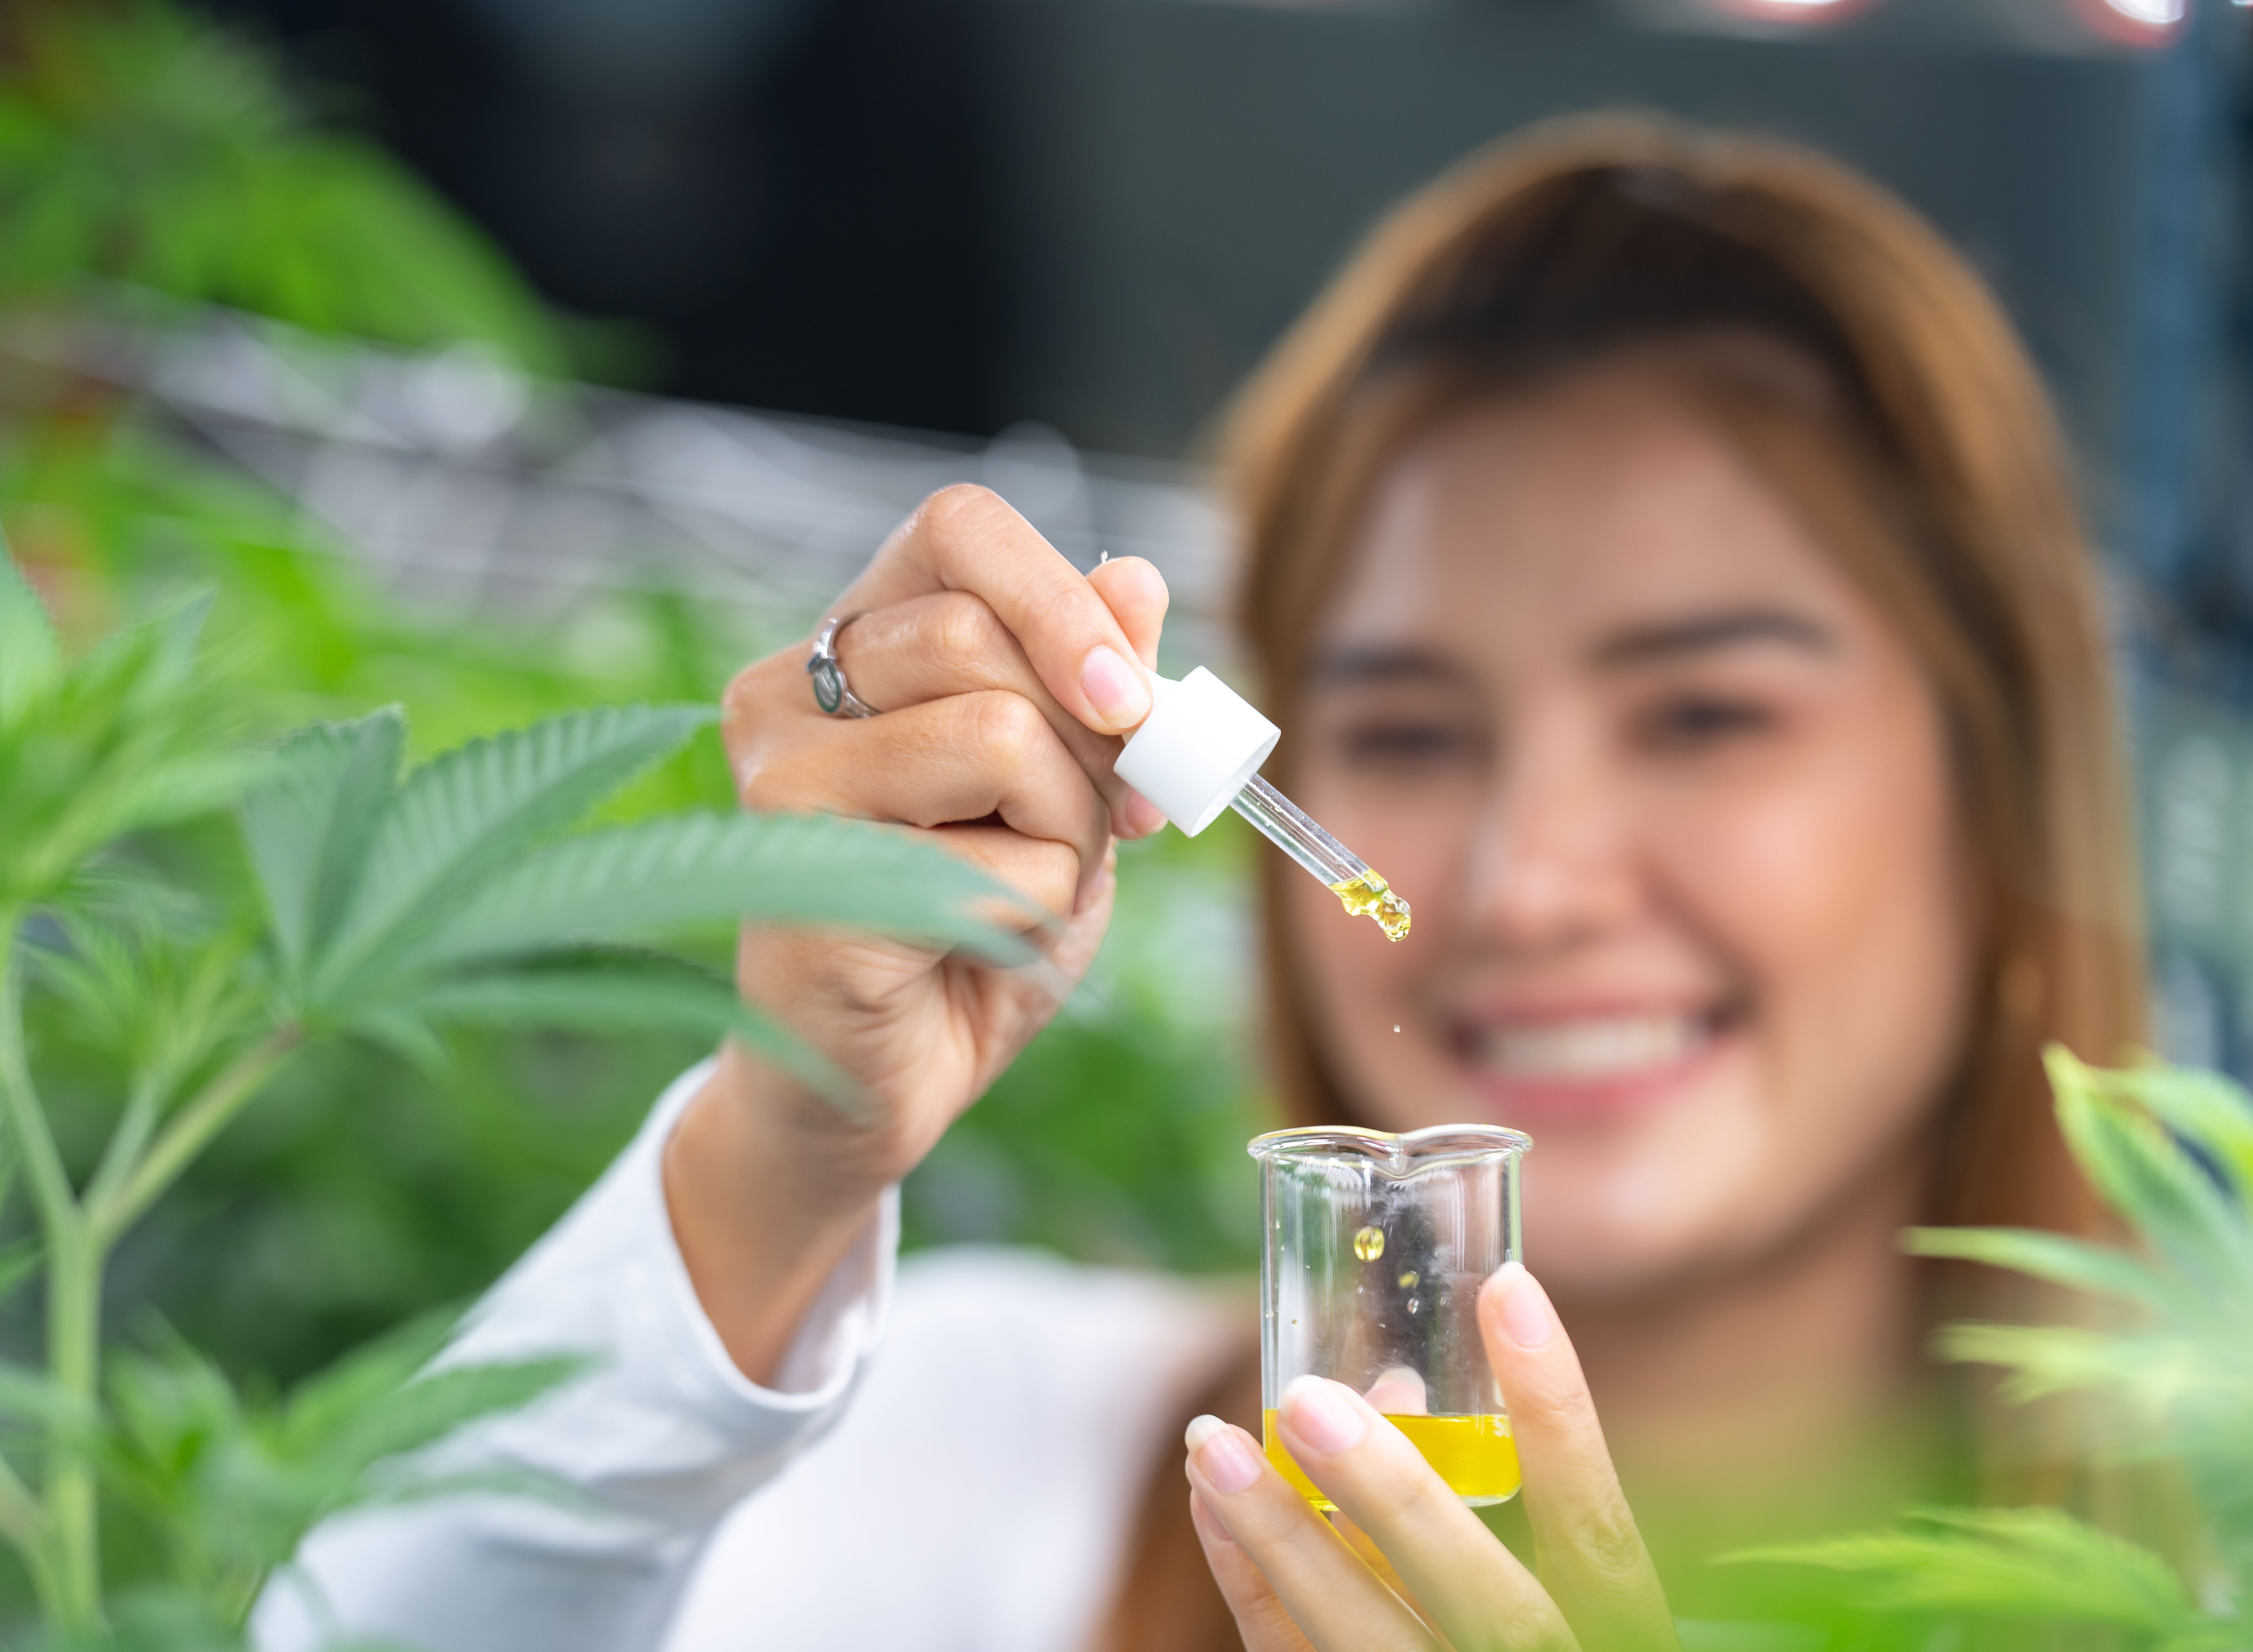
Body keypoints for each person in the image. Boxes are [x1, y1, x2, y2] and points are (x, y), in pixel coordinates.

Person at [249, 113, 2144, 1652]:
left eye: (1708, 716)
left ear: (2002, 798)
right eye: (1410, 727)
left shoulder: (2186, 1583)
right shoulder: (981, 1465)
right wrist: (778, 1154)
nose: (1530, 878)